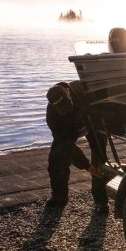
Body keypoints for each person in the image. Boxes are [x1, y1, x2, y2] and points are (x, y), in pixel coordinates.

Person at [45, 81, 108, 213]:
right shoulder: (52, 116)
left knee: (99, 162)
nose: (65, 110)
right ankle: (59, 197)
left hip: (93, 122)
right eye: (61, 109)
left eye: (67, 105)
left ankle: (100, 202)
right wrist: (86, 166)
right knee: (55, 160)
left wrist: (96, 161)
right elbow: (65, 143)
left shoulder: (85, 91)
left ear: (68, 92)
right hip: (69, 130)